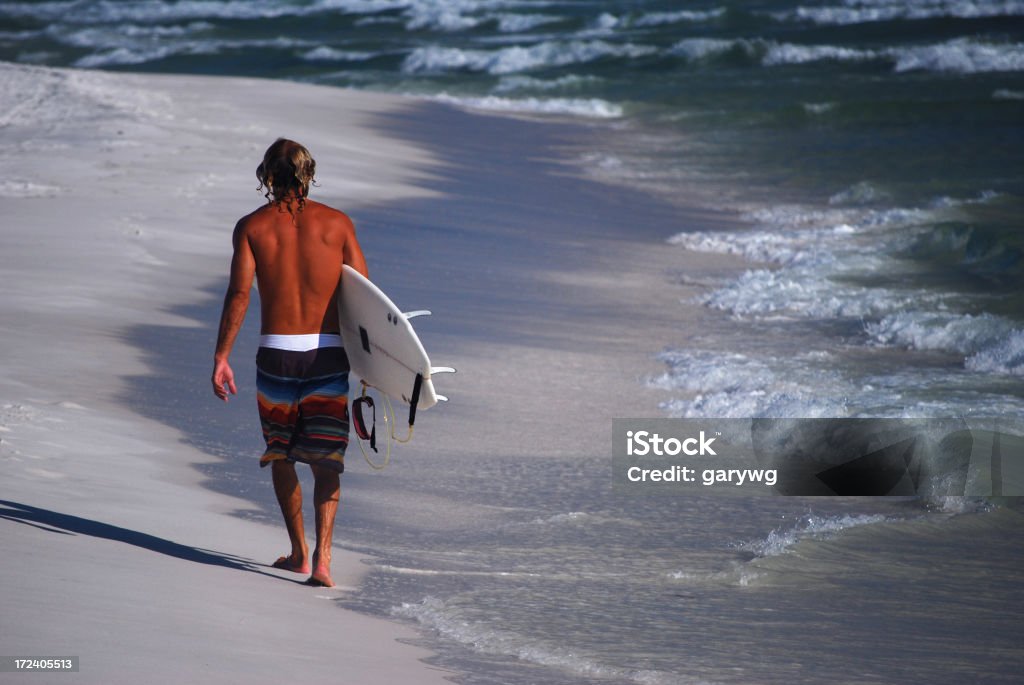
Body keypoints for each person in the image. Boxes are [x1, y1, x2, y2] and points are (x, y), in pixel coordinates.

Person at [211, 138, 367, 588]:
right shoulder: (337, 225)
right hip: (327, 353)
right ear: (309, 174)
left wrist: (222, 356)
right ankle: (322, 559)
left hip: (276, 354)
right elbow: (363, 297)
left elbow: (240, 293)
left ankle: (298, 552)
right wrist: (373, 366)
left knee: (282, 453)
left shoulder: (251, 228)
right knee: (327, 458)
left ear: (267, 177)